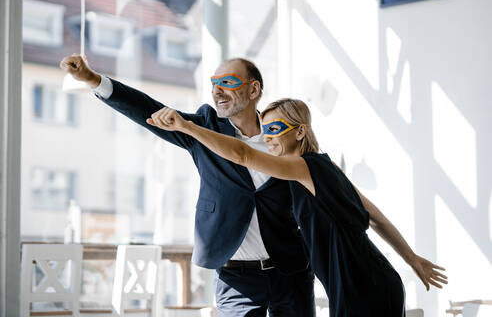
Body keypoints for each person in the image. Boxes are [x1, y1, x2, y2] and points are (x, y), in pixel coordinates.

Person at [59, 56, 316, 316]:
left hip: (291, 271)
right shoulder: (201, 128)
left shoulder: (280, 134)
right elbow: (149, 109)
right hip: (237, 278)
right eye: (214, 83)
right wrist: (93, 80)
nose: (217, 90)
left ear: (253, 89)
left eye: (227, 82)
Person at [146, 98, 448, 317]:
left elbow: (242, 154)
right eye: (265, 129)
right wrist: (412, 260)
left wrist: (187, 127)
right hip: (368, 282)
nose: (268, 137)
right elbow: (376, 218)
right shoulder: (325, 168)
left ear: (300, 132)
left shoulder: (305, 167)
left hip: (363, 288)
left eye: (276, 127)